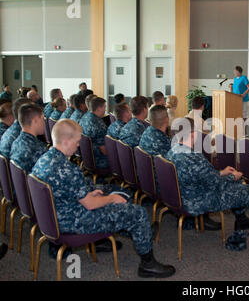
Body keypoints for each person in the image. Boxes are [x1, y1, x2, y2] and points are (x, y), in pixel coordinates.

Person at [31, 119, 176, 278]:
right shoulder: (67, 169)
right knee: (137, 213)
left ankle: (139, 233)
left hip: (54, 220)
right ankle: (148, 264)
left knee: (115, 202)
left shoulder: (43, 160)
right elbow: (90, 205)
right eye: (77, 141)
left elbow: (64, 193)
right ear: (66, 141)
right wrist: (111, 199)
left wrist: (89, 195)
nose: (78, 145)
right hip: (73, 222)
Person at [166, 118, 249, 256]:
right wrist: (233, 176)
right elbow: (215, 183)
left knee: (235, 182)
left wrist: (222, 172)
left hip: (184, 196)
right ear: (193, 134)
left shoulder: (172, 152)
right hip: (200, 200)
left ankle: (241, 220)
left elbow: (201, 176)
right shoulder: (193, 158)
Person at [142, 107, 221, 231]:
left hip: (152, 179)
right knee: (198, 174)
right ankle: (202, 219)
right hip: (165, 184)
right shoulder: (163, 142)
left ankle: (192, 220)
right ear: (166, 120)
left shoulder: (147, 133)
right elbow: (180, 164)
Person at [10, 104, 48, 173]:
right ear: (35, 120)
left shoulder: (15, 142)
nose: (44, 122)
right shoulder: (39, 148)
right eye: (43, 119)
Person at [79, 97, 109, 169]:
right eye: (104, 107)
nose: (105, 110)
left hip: (86, 157)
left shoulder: (84, 117)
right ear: (98, 108)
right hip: (98, 160)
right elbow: (104, 150)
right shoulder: (99, 124)